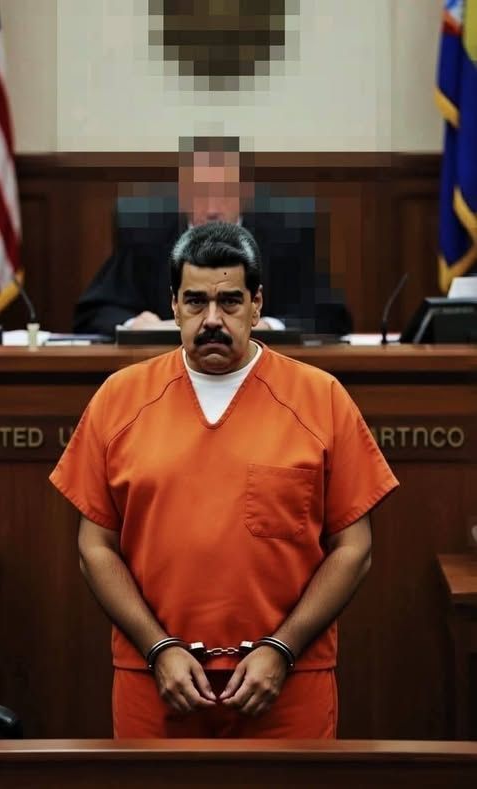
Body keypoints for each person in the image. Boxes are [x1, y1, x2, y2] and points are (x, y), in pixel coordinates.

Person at [51, 221, 398, 739]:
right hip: (155, 681)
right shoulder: (119, 399)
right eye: (195, 301)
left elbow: (355, 548)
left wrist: (282, 648)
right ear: (173, 306)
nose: (212, 319)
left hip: (288, 682)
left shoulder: (321, 398)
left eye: (230, 301)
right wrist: (157, 648)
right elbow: (94, 547)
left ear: (257, 305)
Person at [73, 137, 352, 336]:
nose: (212, 209)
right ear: (182, 194)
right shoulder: (146, 238)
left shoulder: (285, 238)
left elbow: (330, 316)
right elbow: (93, 313)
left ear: (245, 193)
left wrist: (269, 327)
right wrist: (135, 324)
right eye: (200, 193)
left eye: (224, 193)